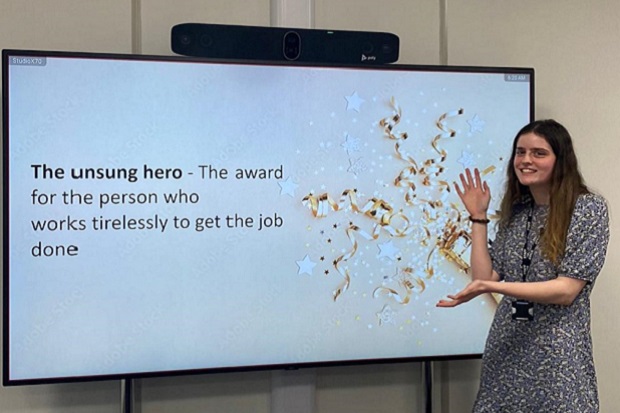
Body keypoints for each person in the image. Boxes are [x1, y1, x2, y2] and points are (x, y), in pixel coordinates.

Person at [437, 119, 609, 412]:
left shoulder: (587, 208)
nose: (526, 160)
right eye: (520, 152)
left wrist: (491, 285)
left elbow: (566, 290)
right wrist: (478, 217)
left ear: (560, 159)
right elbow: (484, 277)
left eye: (538, 153)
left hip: (556, 355)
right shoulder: (517, 211)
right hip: (508, 346)